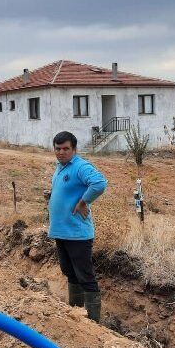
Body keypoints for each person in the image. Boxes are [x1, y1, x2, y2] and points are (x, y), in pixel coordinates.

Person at [46, 131, 107, 322]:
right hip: (62, 232)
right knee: (70, 273)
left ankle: (93, 322)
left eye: (66, 149)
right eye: (58, 149)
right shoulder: (61, 167)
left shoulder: (80, 166)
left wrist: (83, 202)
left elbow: (99, 183)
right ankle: (76, 316)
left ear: (74, 149)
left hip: (77, 234)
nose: (61, 152)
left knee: (85, 276)